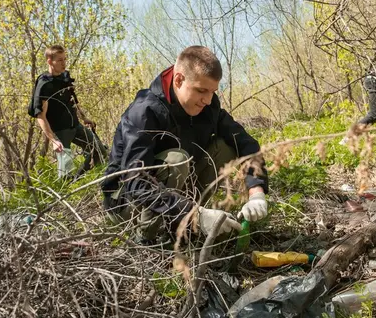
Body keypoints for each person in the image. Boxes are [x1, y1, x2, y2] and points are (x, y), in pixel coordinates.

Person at [102, 46, 269, 243]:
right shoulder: (144, 111)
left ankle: (185, 230)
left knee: (225, 146)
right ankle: (145, 239)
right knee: (176, 160)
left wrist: (256, 190)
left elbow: (245, 143)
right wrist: (194, 213)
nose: (207, 100)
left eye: (213, 92)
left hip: (174, 200)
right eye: (201, 90)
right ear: (179, 80)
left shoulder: (207, 107)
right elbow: (136, 183)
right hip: (125, 205)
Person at [29, 45, 107, 175]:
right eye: (60, 60)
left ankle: (79, 180)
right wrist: (53, 140)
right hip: (60, 131)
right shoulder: (45, 83)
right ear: (49, 61)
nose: (64, 63)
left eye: (65, 59)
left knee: (99, 151)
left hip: (75, 125)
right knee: (66, 171)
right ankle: (66, 191)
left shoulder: (65, 77)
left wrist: (84, 117)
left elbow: (73, 99)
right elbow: (40, 116)